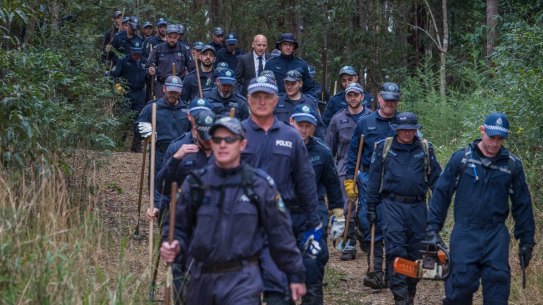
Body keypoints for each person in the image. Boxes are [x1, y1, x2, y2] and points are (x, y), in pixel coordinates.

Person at [160, 117, 307, 305]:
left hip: (242, 279)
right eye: (217, 140)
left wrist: (295, 274)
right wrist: (172, 244)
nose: (223, 145)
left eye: (229, 140)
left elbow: (280, 233)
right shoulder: (196, 183)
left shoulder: (259, 185)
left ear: (242, 144)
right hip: (201, 277)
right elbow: (177, 226)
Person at [426, 112, 535, 305]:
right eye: (491, 137)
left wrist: (526, 240)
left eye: (500, 139)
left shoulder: (512, 165)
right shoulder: (462, 160)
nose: (495, 143)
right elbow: (441, 195)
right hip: (465, 233)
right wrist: (432, 229)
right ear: (482, 131)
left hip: (495, 236)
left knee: (497, 290)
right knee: (460, 288)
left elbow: (523, 205)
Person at [241, 76, 322, 305]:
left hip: (279, 224)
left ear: (276, 100)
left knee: (279, 292)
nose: (262, 102)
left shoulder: (291, 137)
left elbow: (305, 182)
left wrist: (313, 225)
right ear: (248, 99)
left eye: (267, 96)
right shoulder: (236, 135)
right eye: (257, 96)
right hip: (243, 222)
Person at [366, 112, 442, 305]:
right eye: (403, 130)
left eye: (411, 130)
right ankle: (400, 297)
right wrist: (371, 207)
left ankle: (410, 291)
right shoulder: (384, 147)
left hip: (418, 207)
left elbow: (437, 182)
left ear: (416, 130)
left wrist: (439, 209)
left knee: (415, 254)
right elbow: (374, 180)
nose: (407, 133)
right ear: (397, 130)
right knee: (397, 250)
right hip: (392, 206)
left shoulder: (425, 149)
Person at [344, 82, 401, 289]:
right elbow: (353, 154)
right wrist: (350, 179)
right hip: (369, 179)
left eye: (394, 100)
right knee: (371, 222)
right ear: (379, 99)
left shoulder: (403, 123)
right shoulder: (365, 122)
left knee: (392, 226)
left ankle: (389, 274)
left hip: (395, 182)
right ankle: (375, 271)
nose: (390, 104)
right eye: (386, 99)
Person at [289, 104, 344, 304]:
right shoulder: (279, 148)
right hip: (283, 214)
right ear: (291, 122)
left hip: (312, 214)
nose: (303, 130)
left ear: (314, 127)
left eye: (308, 126)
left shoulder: (322, 152)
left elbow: (332, 185)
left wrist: (338, 215)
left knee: (312, 262)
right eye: (299, 124)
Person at [324, 82, 372, 260]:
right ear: (346, 97)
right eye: (349, 95)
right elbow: (329, 147)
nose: (353, 98)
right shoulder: (337, 119)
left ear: (362, 97)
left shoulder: (370, 117)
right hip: (345, 166)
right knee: (347, 205)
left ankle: (365, 234)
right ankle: (349, 241)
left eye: (356, 95)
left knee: (367, 206)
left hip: (367, 166)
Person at [135, 75, 191, 182]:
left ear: (180, 91)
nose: (173, 95)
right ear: (164, 88)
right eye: (170, 91)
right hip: (159, 153)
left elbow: (191, 132)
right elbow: (137, 128)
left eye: (175, 92)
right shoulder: (152, 107)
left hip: (181, 153)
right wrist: (145, 131)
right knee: (157, 184)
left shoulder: (186, 109)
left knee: (178, 186)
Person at [110, 41, 148, 152]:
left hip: (140, 94)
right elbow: (113, 76)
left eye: (138, 53)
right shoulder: (124, 61)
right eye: (134, 53)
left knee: (139, 120)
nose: (136, 55)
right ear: (131, 51)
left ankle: (136, 146)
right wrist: (118, 88)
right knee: (124, 119)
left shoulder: (145, 62)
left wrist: (151, 74)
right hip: (126, 93)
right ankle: (119, 144)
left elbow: (149, 80)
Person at [275, 70, 326, 139]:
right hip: (281, 143)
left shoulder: (310, 102)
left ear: (301, 84)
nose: (289, 86)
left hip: (304, 144)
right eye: (287, 83)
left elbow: (319, 128)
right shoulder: (277, 101)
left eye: (293, 83)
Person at [264, 33, 316, 97]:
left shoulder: (302, 64)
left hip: (297, 104)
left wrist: (306, 102)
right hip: (276, 103)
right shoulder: (271, 64)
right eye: (285, 44)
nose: (288, 47)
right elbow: (265, 88)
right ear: (280, 46)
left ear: (294, 47)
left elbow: (310, 89)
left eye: (290, 45)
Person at [147, 24, 190, 99]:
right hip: (162, 85)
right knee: (160, 107)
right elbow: (148, 66)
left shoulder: (184, 49)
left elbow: (192, 68)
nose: (172, 40)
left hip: (179, 84)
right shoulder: (158, 49)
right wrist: (150, 70)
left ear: (178, 37)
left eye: (175, 37)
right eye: (170, 37)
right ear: (166, 36)